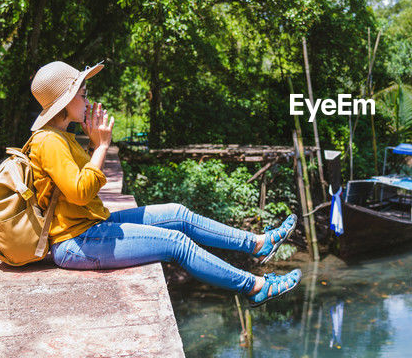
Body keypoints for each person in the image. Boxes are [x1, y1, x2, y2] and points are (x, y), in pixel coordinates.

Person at [26, 60, 300, 306]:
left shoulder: (62, 137)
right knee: (176, 243)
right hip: (76, 242)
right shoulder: (48, 140)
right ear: (66, 100)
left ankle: (257, 243)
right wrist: (101, 147)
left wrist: (94, 144)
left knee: (177, 214)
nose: (88, 101)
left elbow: (75, 187)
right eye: (83, 95)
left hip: (91, 227)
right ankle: (255, 286)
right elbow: (80, 193)